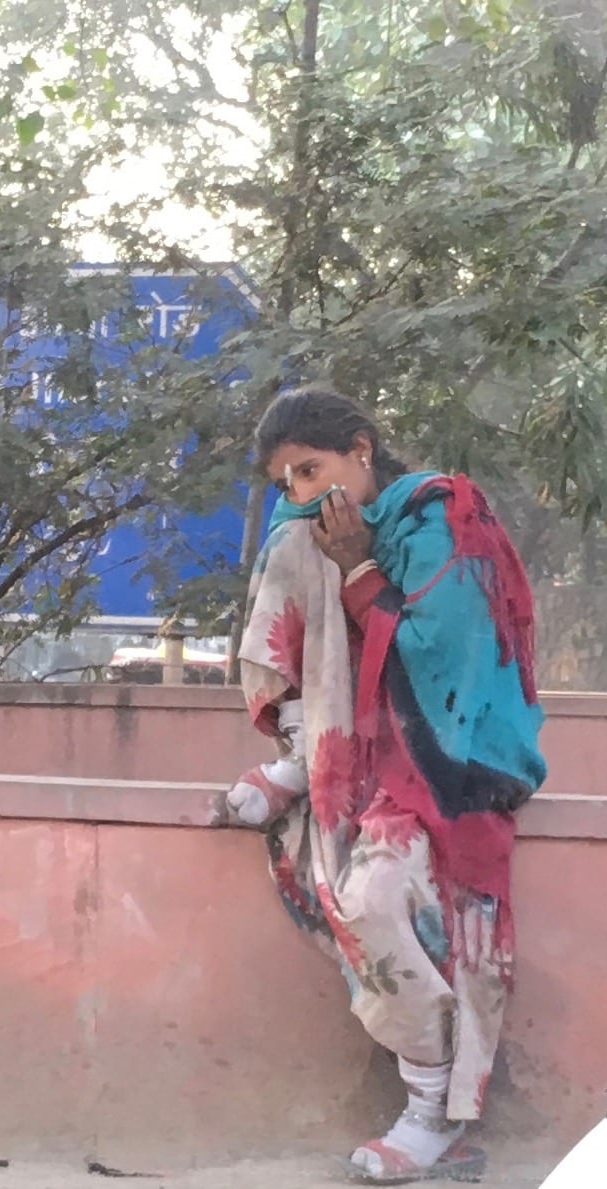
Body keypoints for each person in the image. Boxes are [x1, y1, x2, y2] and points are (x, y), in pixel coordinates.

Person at [220, 388, 545, 1184]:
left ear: (361, 449)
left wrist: (360, 567)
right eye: (285, 480)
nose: (300, 491)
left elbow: (444, 652)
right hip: (361, 755)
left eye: (310, 469)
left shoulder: (441, 516)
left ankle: (431, 1112)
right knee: (291, 544)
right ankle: (302, 749)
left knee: (370, 898)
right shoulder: (314, 527)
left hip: (452, 759)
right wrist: (333, 553)